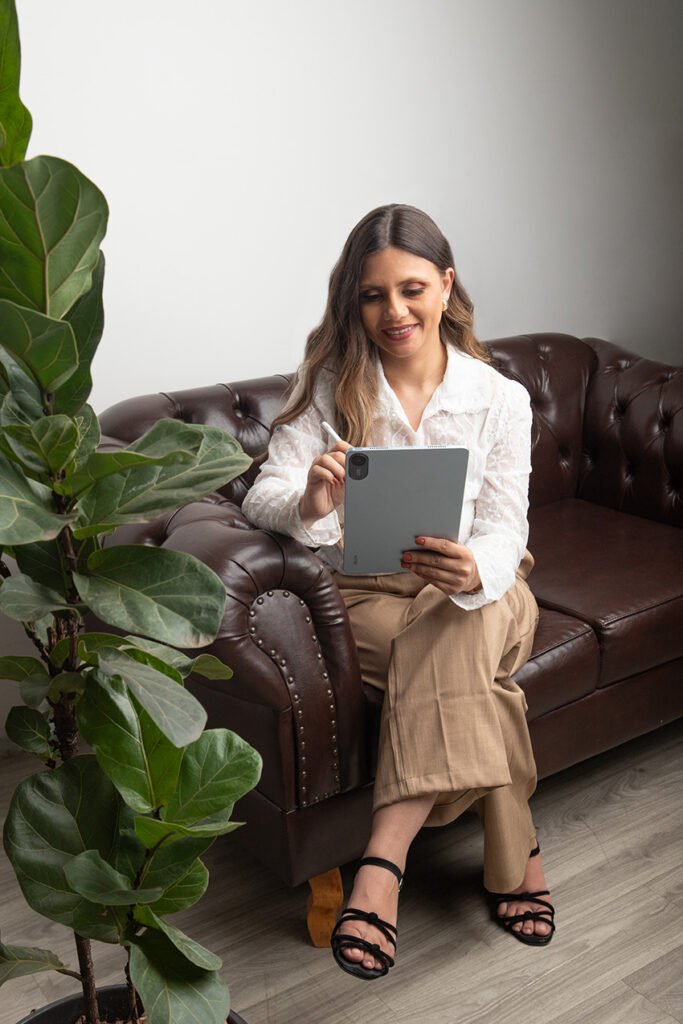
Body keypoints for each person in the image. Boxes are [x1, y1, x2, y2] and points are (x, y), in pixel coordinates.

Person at [242, 203, 555, 980]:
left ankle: (380, 864)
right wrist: (310, 501)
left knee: (461, 620)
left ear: (445, 285)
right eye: (373, 295)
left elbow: (505, 525)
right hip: (369, 595)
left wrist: (474, 568)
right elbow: (263, 498)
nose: (394, 312)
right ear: (353, 302)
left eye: (411, 289)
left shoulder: (499, 398)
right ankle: (518, 855)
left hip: (482, 590)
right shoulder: (329, 388)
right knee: (476, 679)